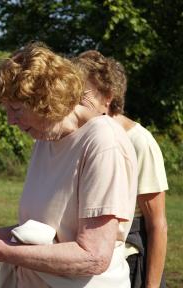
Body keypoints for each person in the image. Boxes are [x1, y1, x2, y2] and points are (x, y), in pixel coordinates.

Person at [0, 42, 138, 287]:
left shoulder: (103, 142)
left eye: (15, 109)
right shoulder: (45, 139)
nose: (10, 121)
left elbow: (93, 256)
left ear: (45, 99)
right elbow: (46, 233)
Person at [74, 50, 168, 288]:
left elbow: (156, 224)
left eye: (81, 95)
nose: (72, 104)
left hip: (129, 265)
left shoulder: (139, 141)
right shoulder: (78, 136)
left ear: (108, 96)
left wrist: (152, 286)